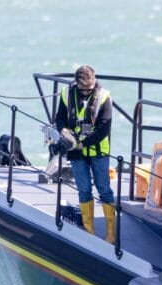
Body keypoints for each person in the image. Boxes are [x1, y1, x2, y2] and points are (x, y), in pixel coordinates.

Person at [53, 65, 116, 244]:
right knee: (84, 189)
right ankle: (89, 232)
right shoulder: (66, 94)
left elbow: (104, 126)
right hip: (76, 152)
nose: (87, 92)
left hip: (98, 150)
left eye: (90, 88)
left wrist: (83, 143)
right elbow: (60, 118)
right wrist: (64, 131)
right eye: (83, 89)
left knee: (104, 189)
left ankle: (111, 233)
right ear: (77, 84)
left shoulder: (104, 97)